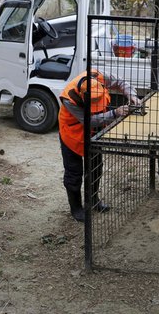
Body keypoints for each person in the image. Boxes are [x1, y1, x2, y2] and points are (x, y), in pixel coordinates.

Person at [59, 70, 140, 222]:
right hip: (72, 135)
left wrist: (132, 95)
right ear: (84, 96)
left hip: (94, 134)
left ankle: (93, 200)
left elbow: (121, 82)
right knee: (74, 173)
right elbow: (89, 120)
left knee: (96, 167)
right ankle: (76, 208)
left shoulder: (98, 77)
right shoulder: (69, 98)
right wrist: (115, 113)